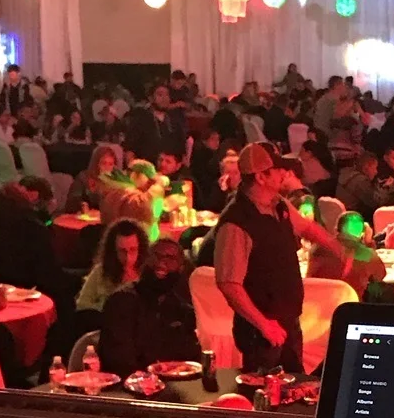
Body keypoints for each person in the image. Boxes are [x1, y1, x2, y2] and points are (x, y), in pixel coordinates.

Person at [213, 144, 335, 372]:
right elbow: (229, 284)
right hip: (260, 331)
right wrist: (264, 325)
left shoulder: (278, 204)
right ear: (261, 177)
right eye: (278, 169)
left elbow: (306, 227)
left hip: (288, 321)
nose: (285, 173)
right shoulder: (236, 222)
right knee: (264, 389)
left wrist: (338, 249)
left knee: (294, 385)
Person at [98, 238, 203, 375]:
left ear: (181, 267)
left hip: (174, 382)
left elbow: (191, 356)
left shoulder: (182, 309)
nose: (161, 263)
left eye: (170, 258)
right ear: (145, 260)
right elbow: (119, 361)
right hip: (129, 383)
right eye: (156, 255)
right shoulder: (122, 301)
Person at [76, 218, 146, 316]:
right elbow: (82, 304)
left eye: (133, 250)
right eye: (122, 251)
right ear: (113, 250)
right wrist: (107, 307)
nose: (128, 257)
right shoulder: (100, 271)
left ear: (141, 248)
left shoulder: (147, 273)